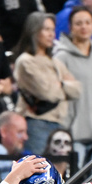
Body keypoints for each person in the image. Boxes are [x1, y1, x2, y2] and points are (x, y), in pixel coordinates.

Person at [53, 5, 92, 158]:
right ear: (70, 27)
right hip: (73, 135)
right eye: (79, 23)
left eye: (88, 22)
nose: (84, 27)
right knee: (76, 180)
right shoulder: (61, 58)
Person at [14, 12, 80, 155]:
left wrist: (59, 85)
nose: (51, 34)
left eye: (52, 29)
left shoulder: (55, 62)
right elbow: (47, 93)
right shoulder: (26, 61)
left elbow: (77, 90)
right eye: (46, 29)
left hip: (60, 123)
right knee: (38, 170)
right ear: (34, 31)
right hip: (37, 123)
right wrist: (64, 86)